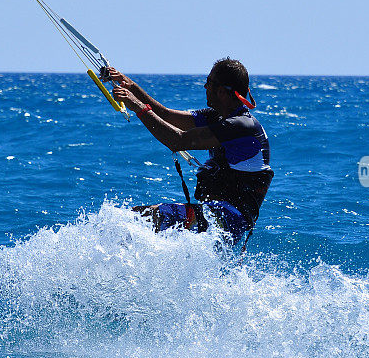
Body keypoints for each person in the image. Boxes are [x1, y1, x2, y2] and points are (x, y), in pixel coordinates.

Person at [109, 57, 273, 242]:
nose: (205, 86)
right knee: (137, 222)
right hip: (216, 214)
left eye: (209, 82)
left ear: (221, 92)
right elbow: (165, 115)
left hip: (228, 217)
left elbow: (178, 140)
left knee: (134, 220)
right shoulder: (217, 117)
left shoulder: (241, 126)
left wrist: (137, 106)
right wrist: (130, 86)